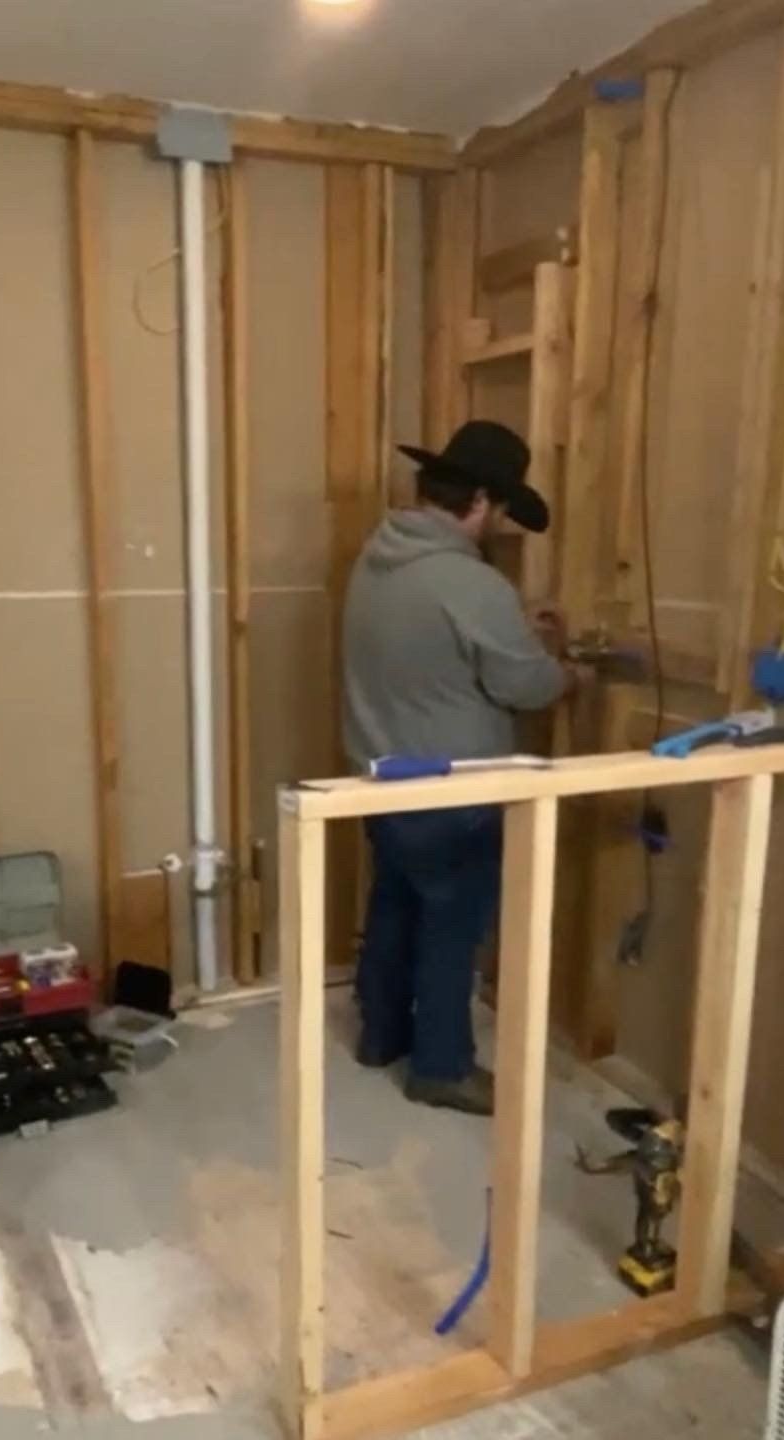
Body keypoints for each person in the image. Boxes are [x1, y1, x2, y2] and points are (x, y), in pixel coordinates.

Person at [342, 420, 584, 1115]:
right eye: (501, 509)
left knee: (395, 903)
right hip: (454, 791)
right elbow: (525, 687)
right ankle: (442, 1066)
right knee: (452, 923)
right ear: (479, 500)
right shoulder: (470, 583)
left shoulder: (377, 558)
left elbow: (434, 649)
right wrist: (565, 676)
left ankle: (381, 1034)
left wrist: (515, 630)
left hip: (378, 779)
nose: (501, 525)